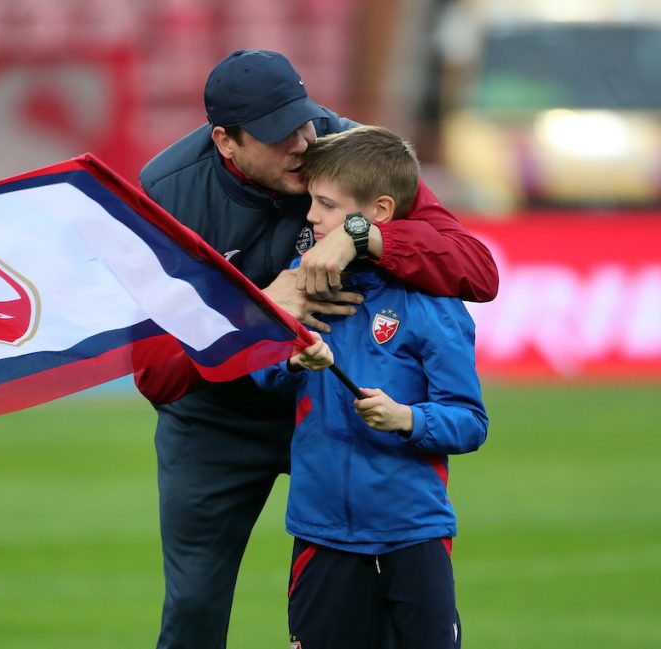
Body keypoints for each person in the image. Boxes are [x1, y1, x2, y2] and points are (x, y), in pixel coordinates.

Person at [136, 49, 497, 649]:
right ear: (227, 142)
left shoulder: (348, 150)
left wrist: (367, 235)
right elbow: (155, 373)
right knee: (195, 606)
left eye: (303, 118)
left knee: (368, 610)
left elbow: (477, 271)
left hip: (338, 413)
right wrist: (254, 312)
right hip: (218, 423)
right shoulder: (166, 193)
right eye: (280, 135)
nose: (304, 141)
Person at [251, 125, 488, 648]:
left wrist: (408, 419)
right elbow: (260, 370)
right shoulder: (302, 281)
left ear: (377, 213)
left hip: (413, 532)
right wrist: (293, 360)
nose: (311, 216)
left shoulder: (431, 304)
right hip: (321, 532)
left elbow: (471, 422)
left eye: (326, 205)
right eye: (311, 200)